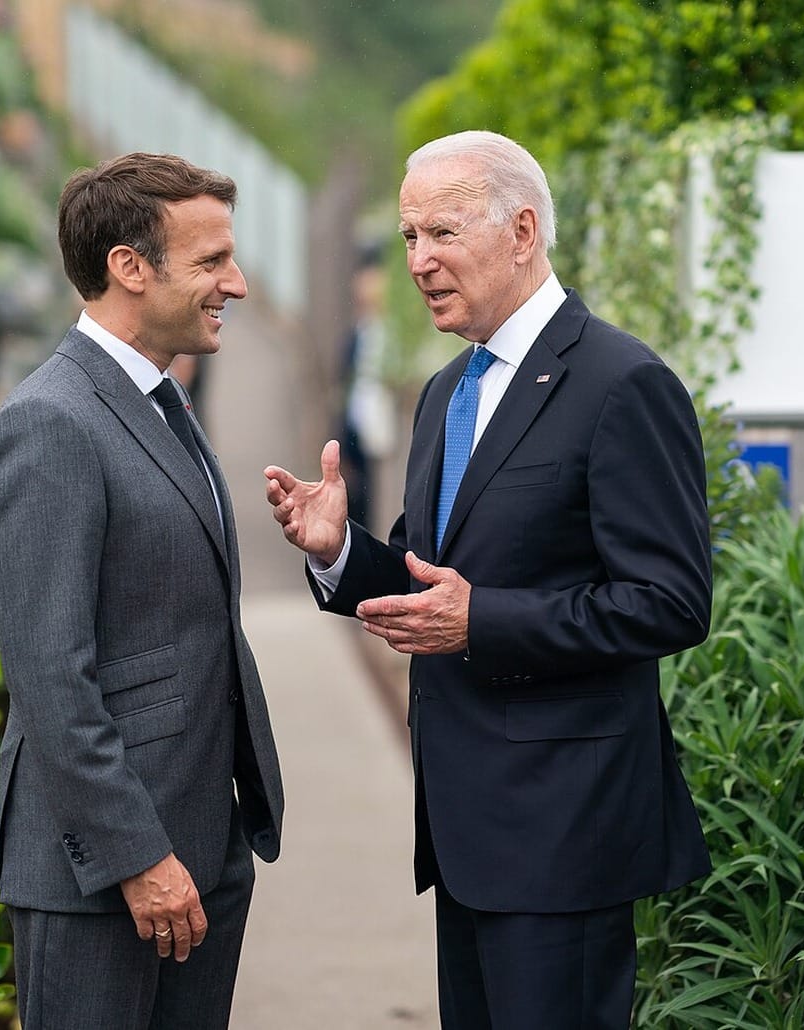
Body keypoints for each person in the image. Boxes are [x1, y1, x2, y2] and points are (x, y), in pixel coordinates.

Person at [264, 130, 713, 1030]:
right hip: (463, 828)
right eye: (407, 238)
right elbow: (429, 579)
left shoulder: (623, 384)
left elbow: (671, 601)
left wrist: (484, 623)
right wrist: (338, 554)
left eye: (442, 233)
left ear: (522, 231)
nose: (420, 262)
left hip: (566, 830)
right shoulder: (445, 393)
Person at [0, 152, 284, 1030]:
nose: (239, 283)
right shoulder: (49, 422)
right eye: (213, 261)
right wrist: (136, 855)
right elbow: (49, 677)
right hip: (106, 872)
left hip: (200, 848)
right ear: (129, 267)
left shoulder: (157, 400)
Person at [337, 247, 396, 531]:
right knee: (356, 493)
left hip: (376, 419)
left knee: (373, 493)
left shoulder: (386, 332)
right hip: (356, 418)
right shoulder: (360, 329)